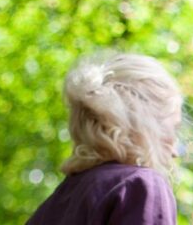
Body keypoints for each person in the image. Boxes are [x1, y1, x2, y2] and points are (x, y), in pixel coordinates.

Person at [28, 52, 182, 225]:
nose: (175, 152)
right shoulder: (141, 186)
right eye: (173, 129)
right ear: (145, 123)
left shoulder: (54, 204)